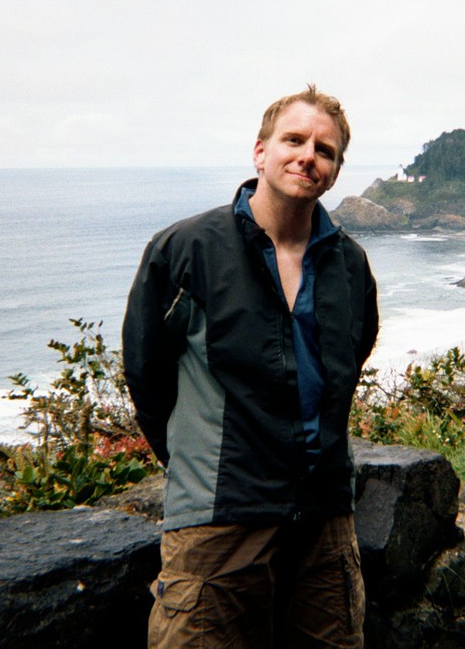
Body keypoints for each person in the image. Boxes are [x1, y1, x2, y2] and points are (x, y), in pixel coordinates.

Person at [123, 85, 379, 648]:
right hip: (218, 519)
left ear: (335, 172)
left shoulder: (350, 265)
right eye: (294, 139)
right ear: (260, 152)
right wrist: (201, 460)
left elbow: (348, 364)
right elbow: (147, 373)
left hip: (324, 522)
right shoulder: (186, 249)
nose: (308, 155)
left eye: (326, 149)